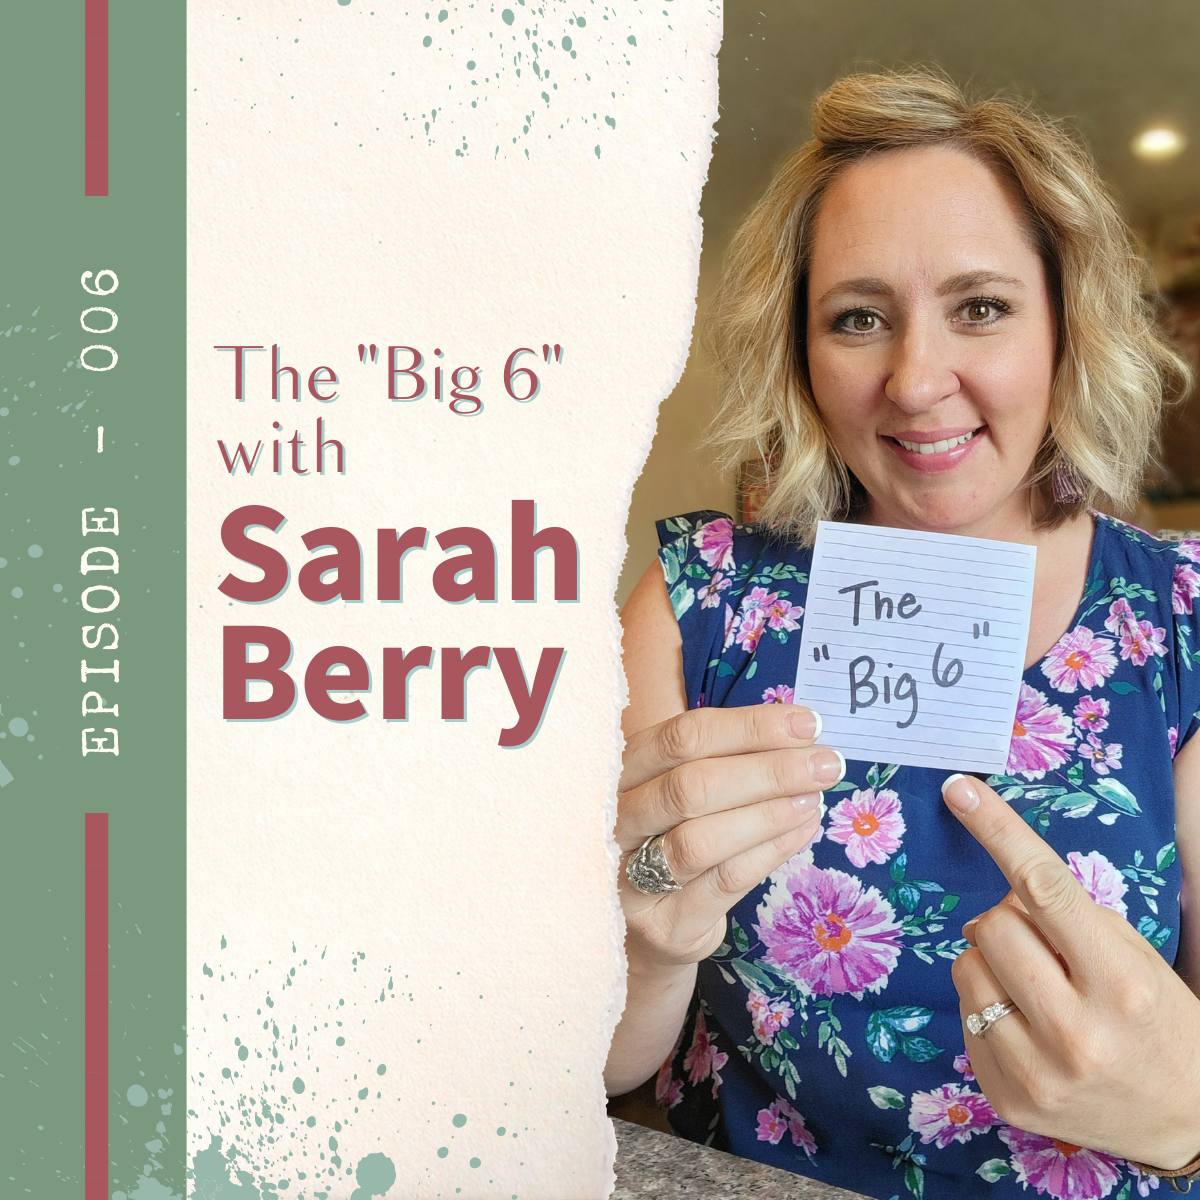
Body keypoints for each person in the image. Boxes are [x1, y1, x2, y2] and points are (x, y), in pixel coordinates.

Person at [608, 68, 1200, 1200]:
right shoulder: (703, 600)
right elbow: (602, 1066)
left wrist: (1187, 1111)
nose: (918, 381)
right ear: (802, 354)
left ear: (1066, 326)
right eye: (859, 318)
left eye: (980, 307)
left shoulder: (1180, 621)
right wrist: (645, 943)